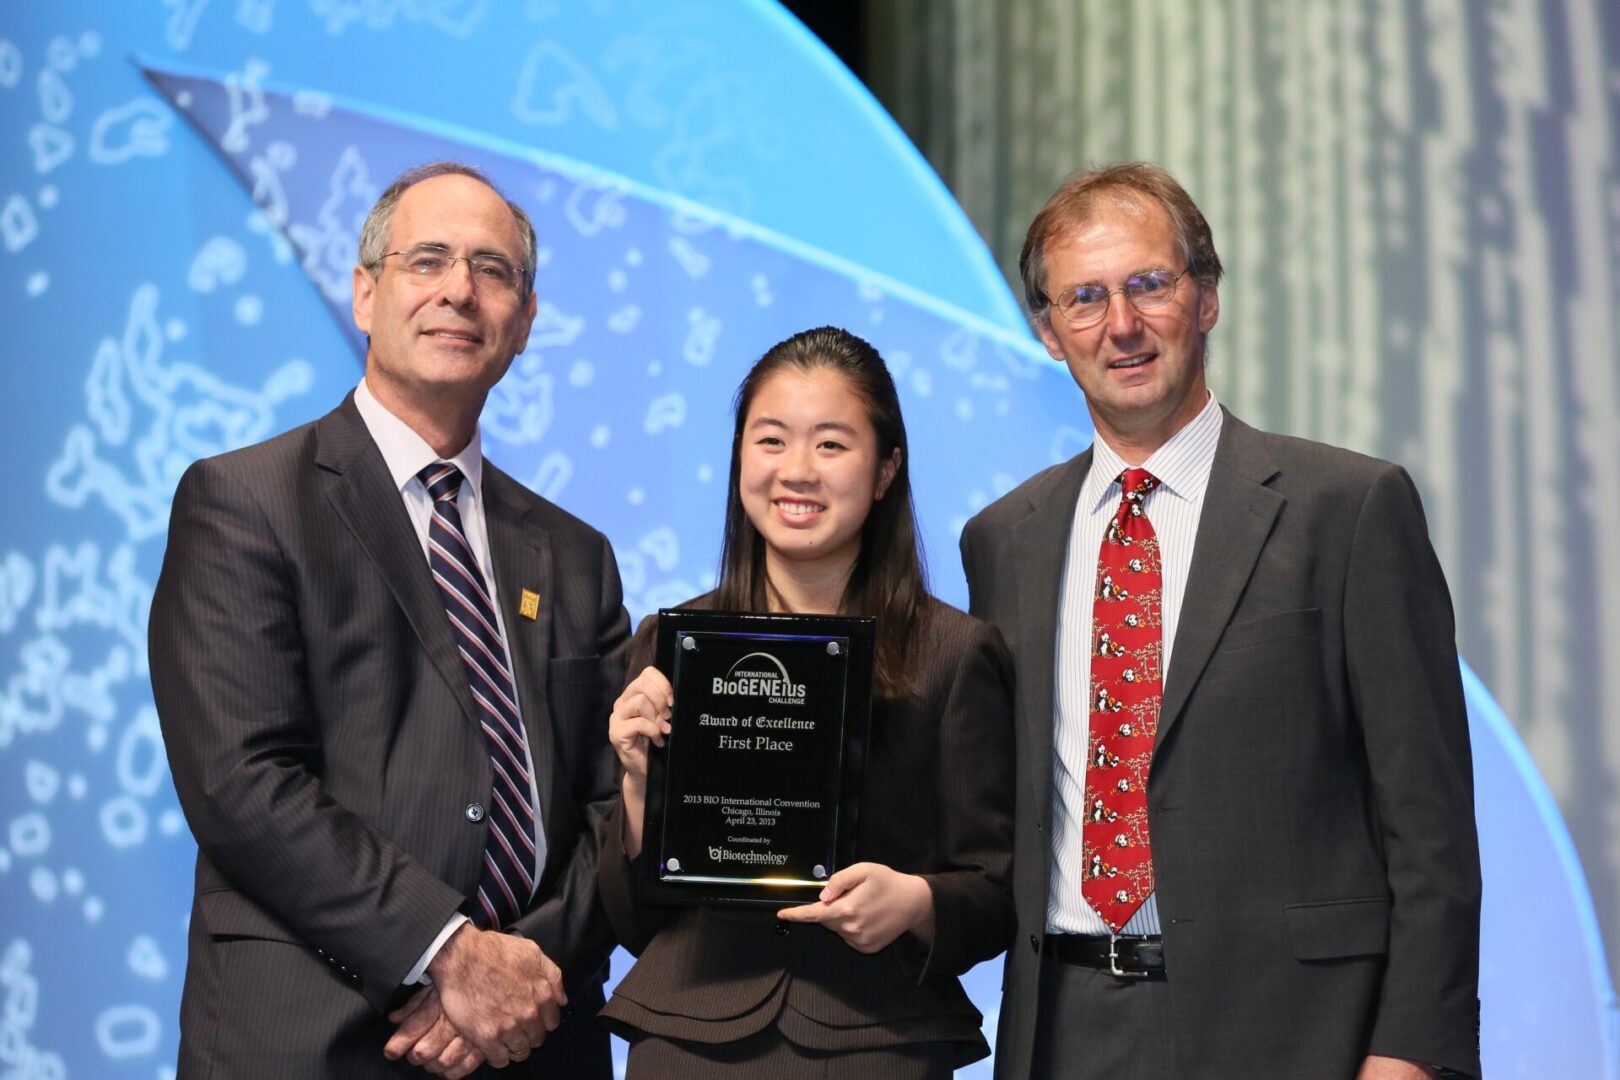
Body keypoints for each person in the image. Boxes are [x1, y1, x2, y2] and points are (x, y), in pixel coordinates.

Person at [960, 163, 1481, 1080]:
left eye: (1148, 285)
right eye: (1083, 299)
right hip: (1065, 1030)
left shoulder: (1349, 510)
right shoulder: (1003, 540)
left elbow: (1429, 827)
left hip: (1301, 1033)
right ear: (1048, 334)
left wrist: (1412, 1050)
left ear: (1206, 297)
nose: (1120, 325)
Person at [149, 161, 630, 1079]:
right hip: (313, 1038)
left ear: (524, 322)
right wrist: (450, 954)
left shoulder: (575, 554)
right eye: (429, 261)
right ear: (366, 293)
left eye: (494, 271)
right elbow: (240, 781)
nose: (460, 290)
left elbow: (613, 809)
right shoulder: (243, 500)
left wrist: (515, 974)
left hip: (532, 1039)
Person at [598, 326, 1015, 1078]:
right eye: (770, 441)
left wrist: (915, 902)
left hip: (874, 1041)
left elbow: (993, 890)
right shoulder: (669, 644)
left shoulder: (957, 654)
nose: (797, 472)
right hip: (689, 1037)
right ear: (737, 460)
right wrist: (635, 784)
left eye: (831, 445)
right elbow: (631, 918)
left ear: (886, 469)